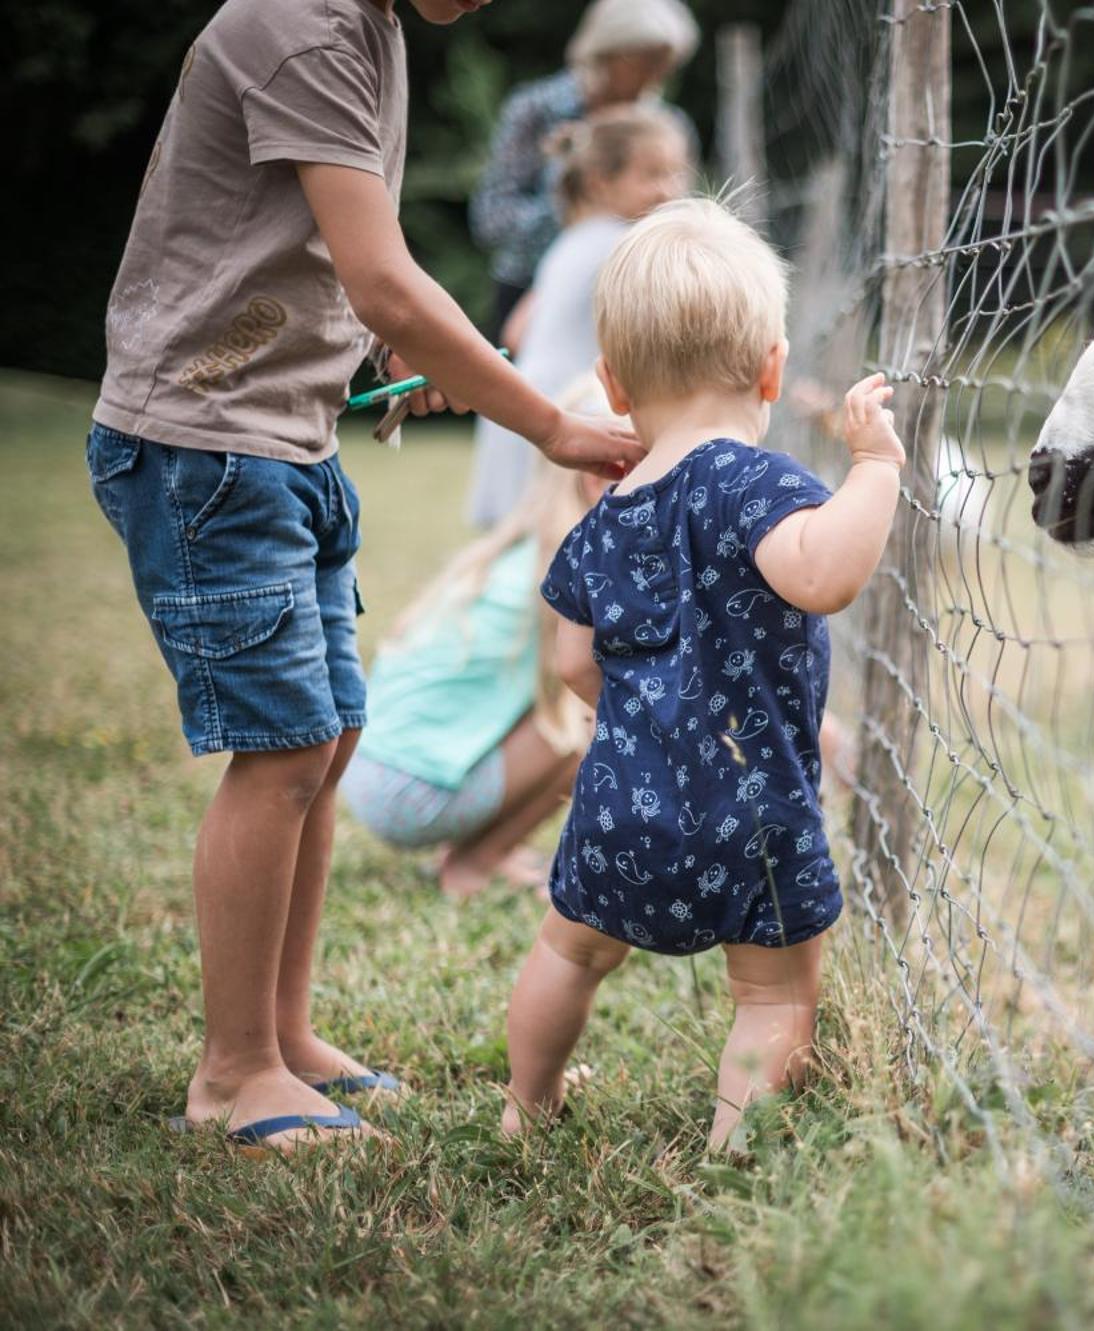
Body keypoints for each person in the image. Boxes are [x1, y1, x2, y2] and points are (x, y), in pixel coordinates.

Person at [85, 0, 645, 1154]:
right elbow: (385, 276)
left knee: (328, 735)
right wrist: (548, 424)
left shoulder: (372, 27)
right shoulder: (301, 27)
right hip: (204, 442)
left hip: (283, 434)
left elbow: (336, 254)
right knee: (282, 747)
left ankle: (280, 1034)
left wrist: (378, 347)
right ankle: (231, 1070)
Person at [499, 199, 906, 1154]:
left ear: (612, 382)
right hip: (753, 801)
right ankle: (733, 1147)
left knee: (570, 948)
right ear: (771, 367)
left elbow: (570, 659)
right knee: (770, 994)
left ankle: (528, 1102)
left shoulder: (601, 515)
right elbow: (827, 573)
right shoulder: (756, 484)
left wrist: (644, 719)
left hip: (620, 796)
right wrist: (876, 467)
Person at [345, 461, 600, 898]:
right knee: (596, 721)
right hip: (410, 796)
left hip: (368, 773)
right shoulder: (568, 570)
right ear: (598, 478)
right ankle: (474, 863)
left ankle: (483, 848)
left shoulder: (514, 551)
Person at [467, 104, 692, 529]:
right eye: (653, 175)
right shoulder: (623, 247)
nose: (671, 189)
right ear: (599, 182)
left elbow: (516, 332)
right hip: (567, 420)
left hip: (521, 411)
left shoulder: (569, 243)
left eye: (677, 173)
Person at [470, 0, 700, 339]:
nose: (655, 76)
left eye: (664, 64)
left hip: (634, 301)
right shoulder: (536, 111)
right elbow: (491, 219)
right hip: (529, 294)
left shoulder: (669, 129)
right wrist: (577, 202)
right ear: (607, 51)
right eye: (645, 61)